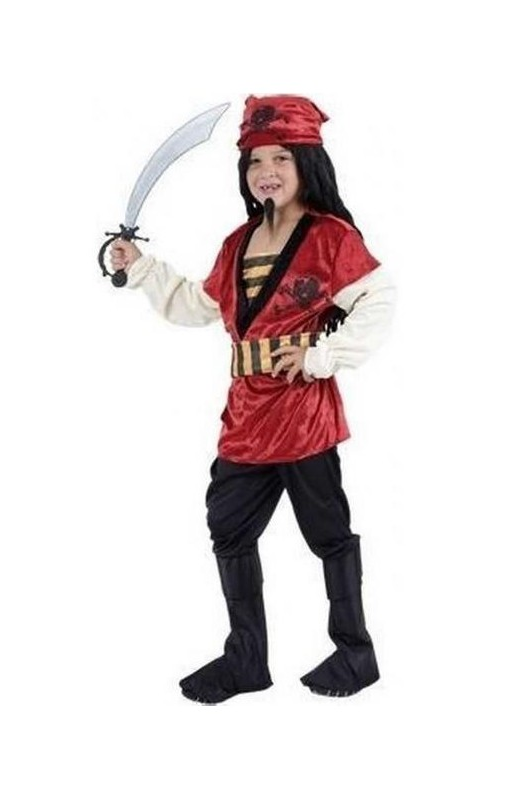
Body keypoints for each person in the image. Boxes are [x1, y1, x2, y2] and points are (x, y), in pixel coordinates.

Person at [110, 94, 396, 703]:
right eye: (255, 160)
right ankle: (246, 660)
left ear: (306, 163)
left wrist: (320, 357)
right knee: (229, 528)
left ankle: (355, 653)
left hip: (303, 415)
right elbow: (200, 305)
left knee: (328, 533)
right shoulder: (238, 243)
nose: (266, 171)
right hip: (246, 417)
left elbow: (378, 300)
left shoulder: (331, 238)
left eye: (280, 158)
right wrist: (143, 269)